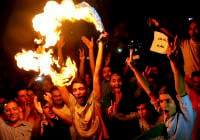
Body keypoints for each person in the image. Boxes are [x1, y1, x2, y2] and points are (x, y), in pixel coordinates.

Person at [46, 33, 110, 140]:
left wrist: (100, 46)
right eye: (75, 90)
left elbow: (96, 74)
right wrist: (46, 61)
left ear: (87, 89)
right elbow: (59, 79)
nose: (77, 92)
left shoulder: (94, 101)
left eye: (81, 89)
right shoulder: (72, 104)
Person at [126, 44, 196, 139]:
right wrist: (134, 69)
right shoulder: (166, 114)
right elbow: (149, 92)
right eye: (162, 101)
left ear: (176, 101)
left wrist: (173, 63)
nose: (163, 105)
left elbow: (181, 90)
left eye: (168, 101)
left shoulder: (186, 114)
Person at [149, 17, 200, 93]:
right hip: (190, 85)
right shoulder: (185, 43)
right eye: (190, 29)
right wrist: (158, 25)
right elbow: (171, 34)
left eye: (196, 28)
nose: (193, 31)